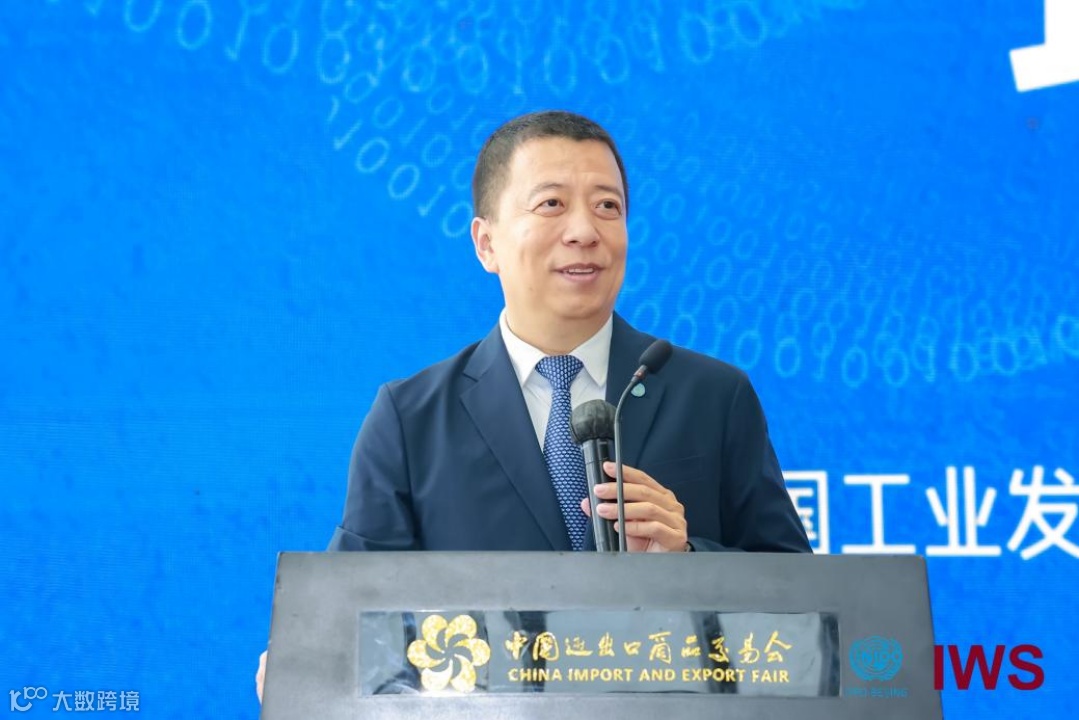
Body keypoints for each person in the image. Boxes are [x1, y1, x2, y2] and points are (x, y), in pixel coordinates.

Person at [256, 110, 809, 701]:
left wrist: (688, 555)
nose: (585, 231)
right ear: (486, 242)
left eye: (607, 206)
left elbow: (804, 606)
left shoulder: (713, 396)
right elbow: (359, 619)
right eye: (551, 204)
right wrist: (311, 662)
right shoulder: (411, 419)